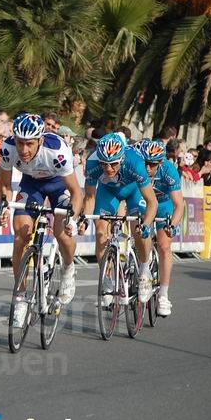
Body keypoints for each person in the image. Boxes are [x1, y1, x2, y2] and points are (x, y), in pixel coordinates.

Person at [0, 113, 84, 324]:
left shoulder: (57, 151)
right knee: (21, 236)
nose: (24, 150)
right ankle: (19, 298)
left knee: (61, 233)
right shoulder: (7, 149)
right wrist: (4, 207)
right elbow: (6, 186)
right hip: (31, 185)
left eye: (29, 144)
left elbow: (75, 192)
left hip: (59, 185)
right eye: (20, 143)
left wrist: (73, 219)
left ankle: (68, 269)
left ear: (40, 140)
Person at [81, 133, 158, 306]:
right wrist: (84, 219)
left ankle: (145, 272)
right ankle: (107, 279)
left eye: (114, 164)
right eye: (104, 164)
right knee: (101, 232)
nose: (108, 169)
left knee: (138, 229)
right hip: (108, 192)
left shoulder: (135, 162)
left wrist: (146, 224)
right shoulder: (93, 163)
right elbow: (89, 197)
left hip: (133, 191)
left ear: (122, 158)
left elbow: (152, 202)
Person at [134, 139, 183, 317]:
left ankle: (163, 294)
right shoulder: (137, 167)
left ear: (160, 162)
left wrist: (173, 226)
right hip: (143, 204)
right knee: (138, 232)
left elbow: (179, 204)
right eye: (145, 163)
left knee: (164, 245)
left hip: (164, 206)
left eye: (152, 164)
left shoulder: (169, 170)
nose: (147, 168)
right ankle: (138, 267)